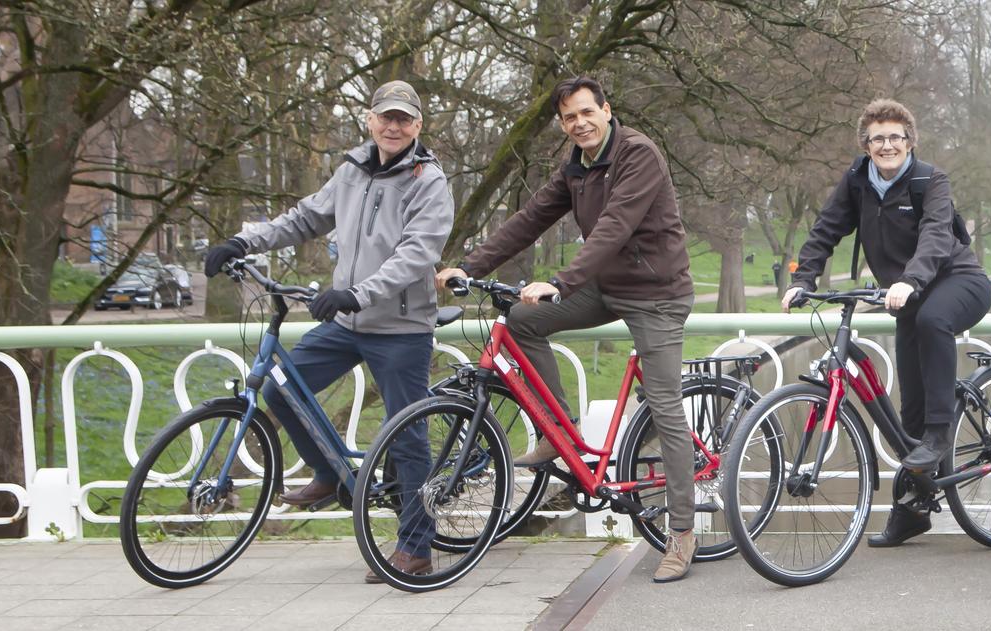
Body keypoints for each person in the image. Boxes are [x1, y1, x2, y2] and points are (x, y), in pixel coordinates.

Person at [436, 76, 698, 583]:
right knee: (521, 319)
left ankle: (682, 532)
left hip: (656, 293)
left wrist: (562, 281)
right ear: (562, 124)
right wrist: (470, 266)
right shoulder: (576, 166)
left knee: (665, 406)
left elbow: (615, 226)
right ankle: (561, 434)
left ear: (606, 108)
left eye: (586, 112)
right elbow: (530, 218)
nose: (579, 123)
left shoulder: (637, 154)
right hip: (605, 285)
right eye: (569, 118)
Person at [204, 80, 454, 582]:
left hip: (401, 326)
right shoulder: (352, 171)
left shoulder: (429, 181)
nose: (393, 125)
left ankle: (417, 549)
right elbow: (303, 219)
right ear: (369, 119)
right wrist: (241, 241)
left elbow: (416, 255)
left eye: (404, 118)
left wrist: (357, 293)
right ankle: (328, 473)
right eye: (386, 116)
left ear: (418, 126)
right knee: (280, 389)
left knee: (406, 435)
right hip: (346, 322)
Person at [783, 98, 991, 548]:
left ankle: (941, 434)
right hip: (907, 298)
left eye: (895, 137)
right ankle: (912, 510)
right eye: (878, 138)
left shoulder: (929, 179)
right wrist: (803, 281)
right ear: (866, 143)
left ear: (909, 140)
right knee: (908, 411)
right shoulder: (857, 181)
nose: (887, 145)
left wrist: (911, 280)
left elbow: (938, 234)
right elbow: (826, 229)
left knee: (935, 319)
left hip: (958, 281)